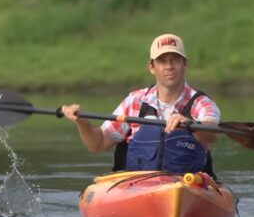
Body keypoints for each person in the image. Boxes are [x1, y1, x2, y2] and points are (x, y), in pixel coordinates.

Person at [61, 33, 221, 176]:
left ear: (185, 64)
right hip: (136, 187)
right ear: (152, 67)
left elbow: (211, 132)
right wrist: (82, 123)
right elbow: (98, 143)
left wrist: (190, 124)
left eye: (175, 60)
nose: (169, 66)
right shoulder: (134, 101)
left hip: (187, 186)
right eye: (162, 61)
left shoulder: (201, 103)